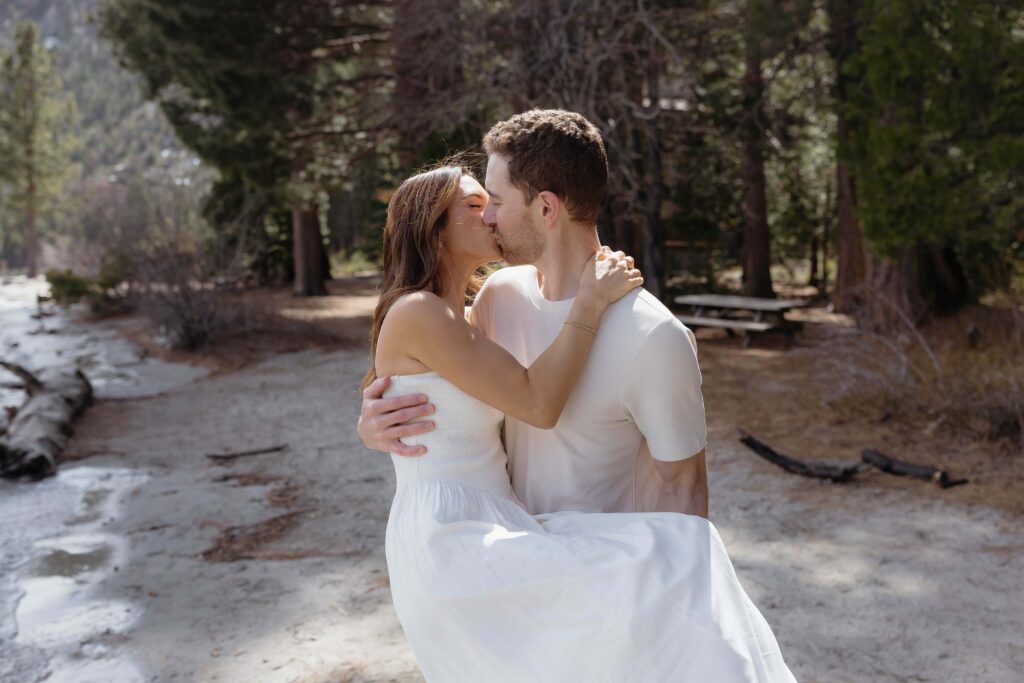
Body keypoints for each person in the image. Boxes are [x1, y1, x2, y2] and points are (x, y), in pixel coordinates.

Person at [363, 156, 796, 681]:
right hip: (450, 535)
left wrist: (368, 419)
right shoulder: (419, 312)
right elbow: (537, 404)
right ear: (430, 229)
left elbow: (414, 387)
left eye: (494, 202)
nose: (492, 217)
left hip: (496, 520)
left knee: (657, 579)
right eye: (476, 206)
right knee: (660, 569)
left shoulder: (472, 313)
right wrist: (588, 305)